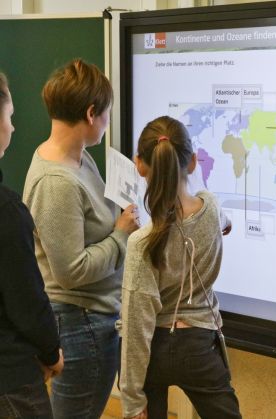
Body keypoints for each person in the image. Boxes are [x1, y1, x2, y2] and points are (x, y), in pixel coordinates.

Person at [23, 59, 139, 419]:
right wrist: (121, 235)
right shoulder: (57, 183)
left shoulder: (81, 159)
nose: (107, 121)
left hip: (92, 318)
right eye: (106, 114)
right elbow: (71, 271)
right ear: (91, 113)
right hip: (81, 325)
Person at [120, 115, 241, 419]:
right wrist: (222, 226)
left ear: (140, 165)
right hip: (200, 345)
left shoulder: (142, 242)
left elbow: (136, 326)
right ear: (193, 163)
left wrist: (132, 401)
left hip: (155, 349)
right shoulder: (211, 208)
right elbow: (225, 222)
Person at [0, 72, 64, 418]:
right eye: (9, 117)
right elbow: (26, 302)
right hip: (11, 383)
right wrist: (52, 352)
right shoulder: (8, 212)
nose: (12, 128)